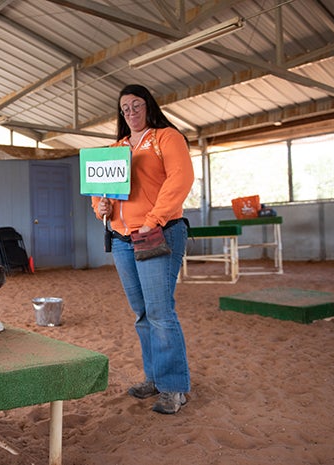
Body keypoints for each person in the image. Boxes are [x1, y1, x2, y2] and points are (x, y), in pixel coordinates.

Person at [92, 84, 194, 414]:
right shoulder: (116, 148)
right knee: (142, 314)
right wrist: (101, 208)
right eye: (125, 108)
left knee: (161, 312)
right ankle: (154, 378)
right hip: (122, 240)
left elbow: (180, 179)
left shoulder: (167, 138)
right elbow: (100, 190)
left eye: (136, 105)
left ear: (148, 106)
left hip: (157, 233)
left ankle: (174, 387)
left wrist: (154, 219)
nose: (131, 112)